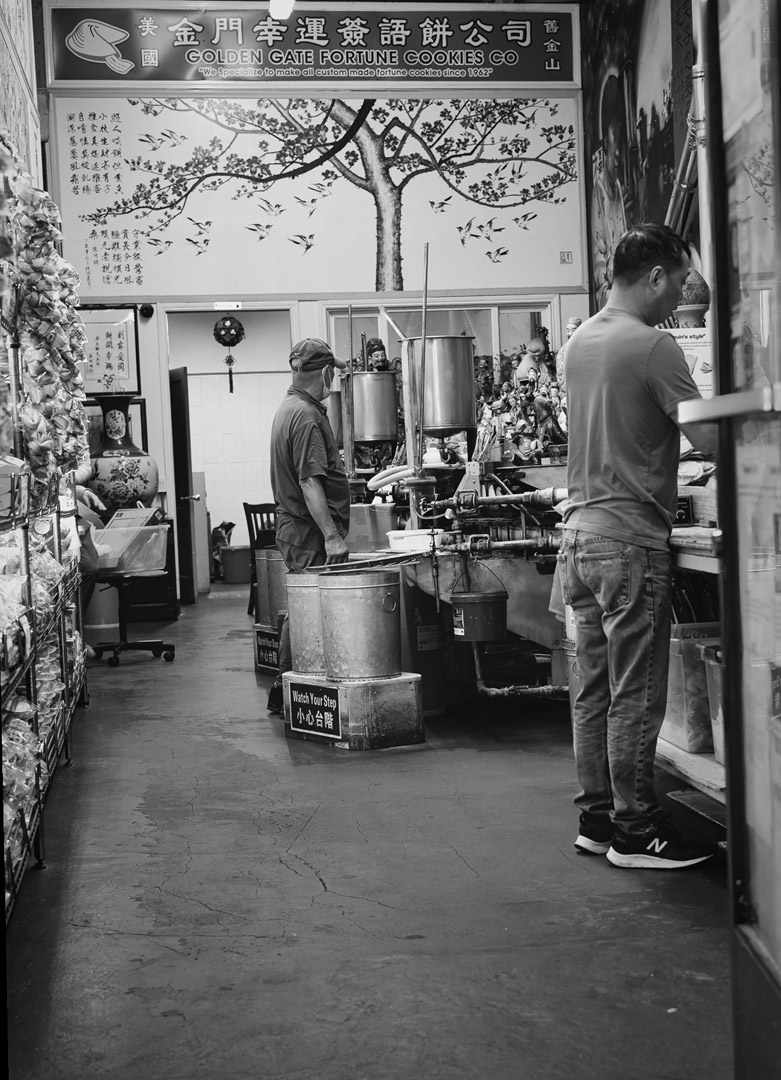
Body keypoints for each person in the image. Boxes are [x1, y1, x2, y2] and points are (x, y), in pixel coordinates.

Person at [557, 223, 717, 870]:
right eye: (678, 281)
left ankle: (597, 820)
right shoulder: (654, 346)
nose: (680, 295)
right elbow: (709, 441)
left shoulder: (578, 342)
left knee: (592, 690)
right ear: (653, 276)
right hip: (627, 542)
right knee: (636, 692)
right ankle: (637, 830)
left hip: (579, 538)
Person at [266, 338, 351, 714]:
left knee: (300, 609)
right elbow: (309, 481)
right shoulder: (306, 417)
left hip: (297, 529)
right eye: (334, 371)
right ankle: (286, 691)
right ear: (327, 373)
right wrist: (331, 536)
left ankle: (285, 689)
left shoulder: (290, 407)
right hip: (307, 532)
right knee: (305, 614)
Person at [591, 74, 629, 309]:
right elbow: (599, 263)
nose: (618, 149)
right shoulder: (600, 187)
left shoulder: (617, 187)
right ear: (606, 139)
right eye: (614, 137)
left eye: (620, 137)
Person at [555, 316, 582, 390]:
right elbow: (560, 372)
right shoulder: (563, 350)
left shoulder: (585, 348)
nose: (570, 334)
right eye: (568, 330)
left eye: (574, 330)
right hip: (568, 388)